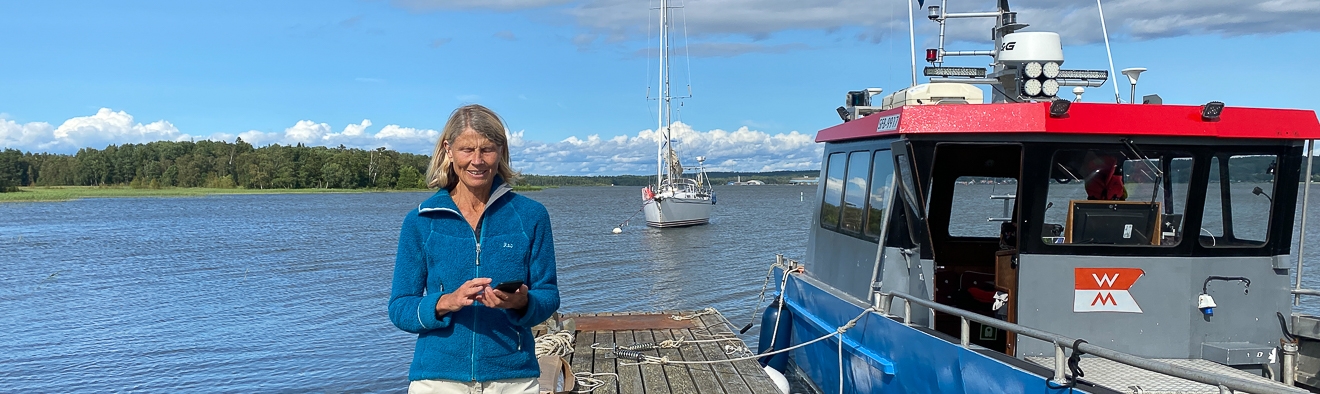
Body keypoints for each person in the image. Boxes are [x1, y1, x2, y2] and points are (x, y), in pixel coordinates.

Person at [389, 104, 559, 394]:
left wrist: (521, 302)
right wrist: (446, 302)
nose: (477, 161)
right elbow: (400, 306)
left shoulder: (531, 216)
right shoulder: (421, 220)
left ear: (501, 151)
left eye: (487, 149)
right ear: (448, 150)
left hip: (513, 377)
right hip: (437, 379)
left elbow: (548, 295)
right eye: (467, 149)